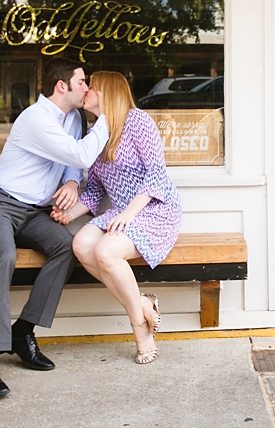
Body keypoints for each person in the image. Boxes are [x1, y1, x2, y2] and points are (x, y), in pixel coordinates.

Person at [0, 57, 110, 399]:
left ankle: (23, 331)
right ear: (62, 86)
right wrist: (105, 116)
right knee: (3, 257)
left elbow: (71, 165)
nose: (87, 88)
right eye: (82, 82)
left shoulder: (74, 119)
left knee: (66, 246)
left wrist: (73, 184)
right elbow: (80, 155)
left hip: (34, 212)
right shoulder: (35, 118)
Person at [51, 71, 181, 365]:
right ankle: (144, 304)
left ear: (107, 92)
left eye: (91, 87)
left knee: (106, 252)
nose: (85, 92)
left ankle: (139, 329)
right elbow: (95, 190)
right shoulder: (96, 133)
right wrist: (68, 213)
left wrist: (128, 213)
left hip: (154, 210)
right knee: (82, 245)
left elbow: (157, 175)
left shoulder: (137, 121)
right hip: (122, 213)